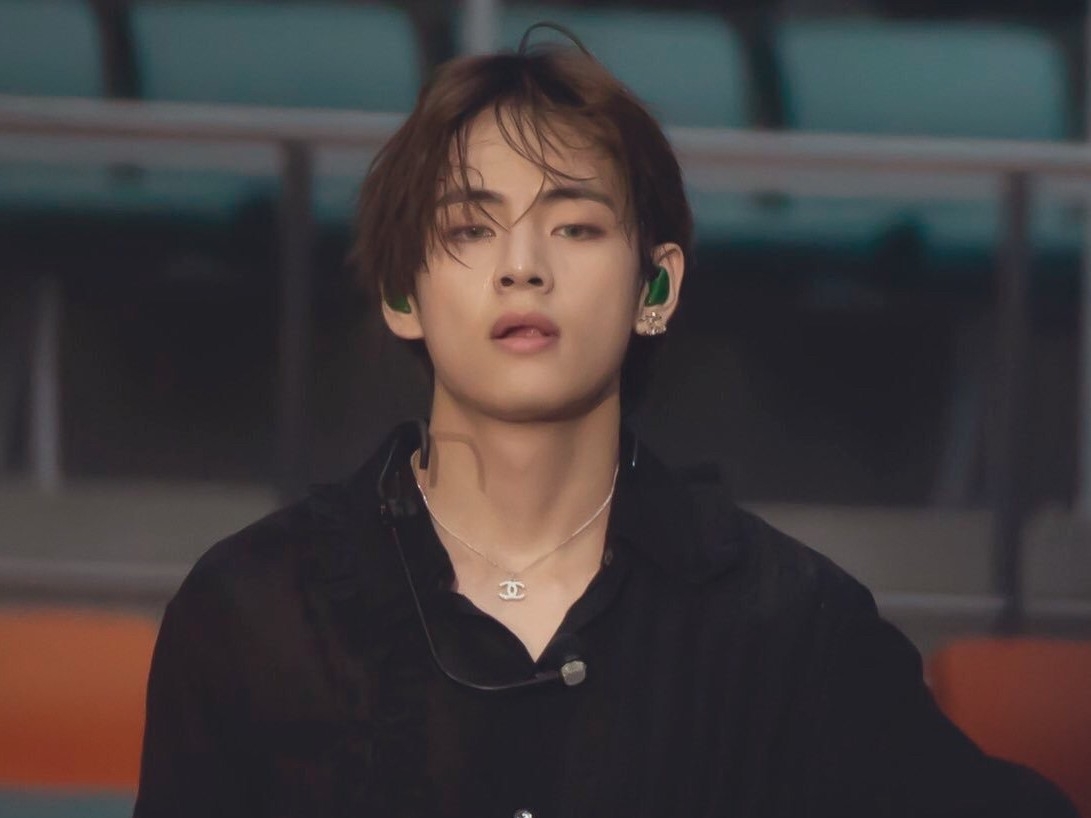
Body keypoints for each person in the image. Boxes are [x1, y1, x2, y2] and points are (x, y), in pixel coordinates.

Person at [134, 29, 1078, 818]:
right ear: (400, 293)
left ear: (654, 288)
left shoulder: (792, 626)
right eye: (470, 228)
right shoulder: (252, 610)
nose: (522, 265)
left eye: (575, 226)